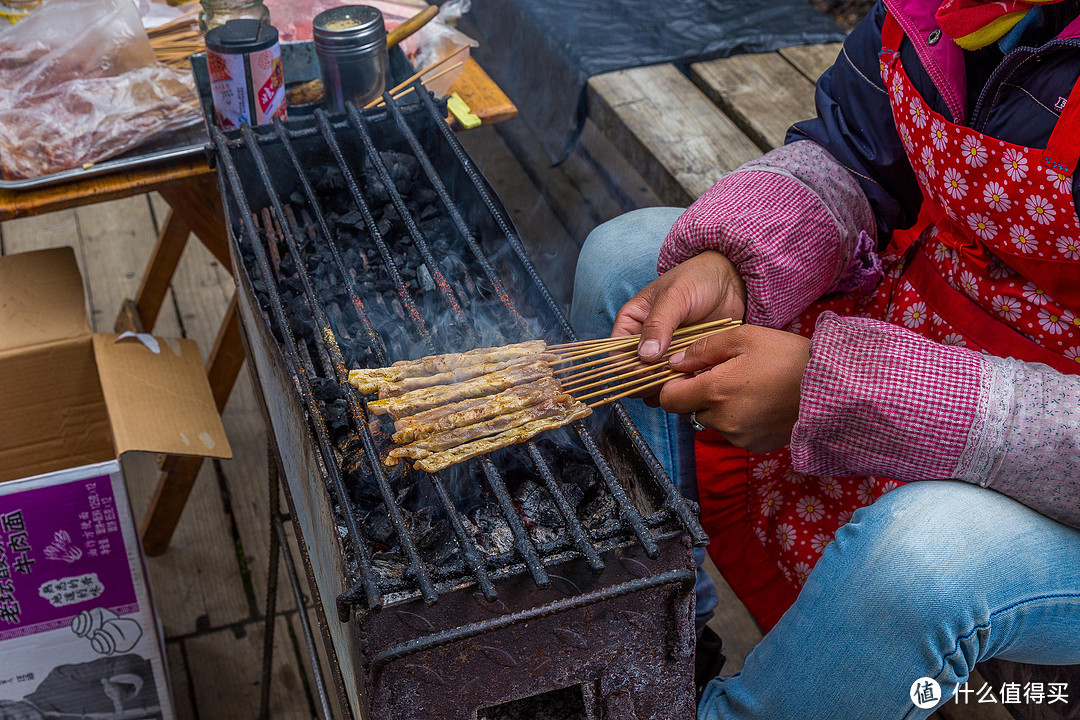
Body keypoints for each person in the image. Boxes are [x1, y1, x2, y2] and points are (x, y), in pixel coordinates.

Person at [571, 0, 1080, 717]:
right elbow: (853, 155)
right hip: (932, 332)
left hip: (1044, 453)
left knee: (926, 554)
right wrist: (736, 262)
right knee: (627, 262)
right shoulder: (949, 12)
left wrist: (841, 393)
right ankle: (663, 651)